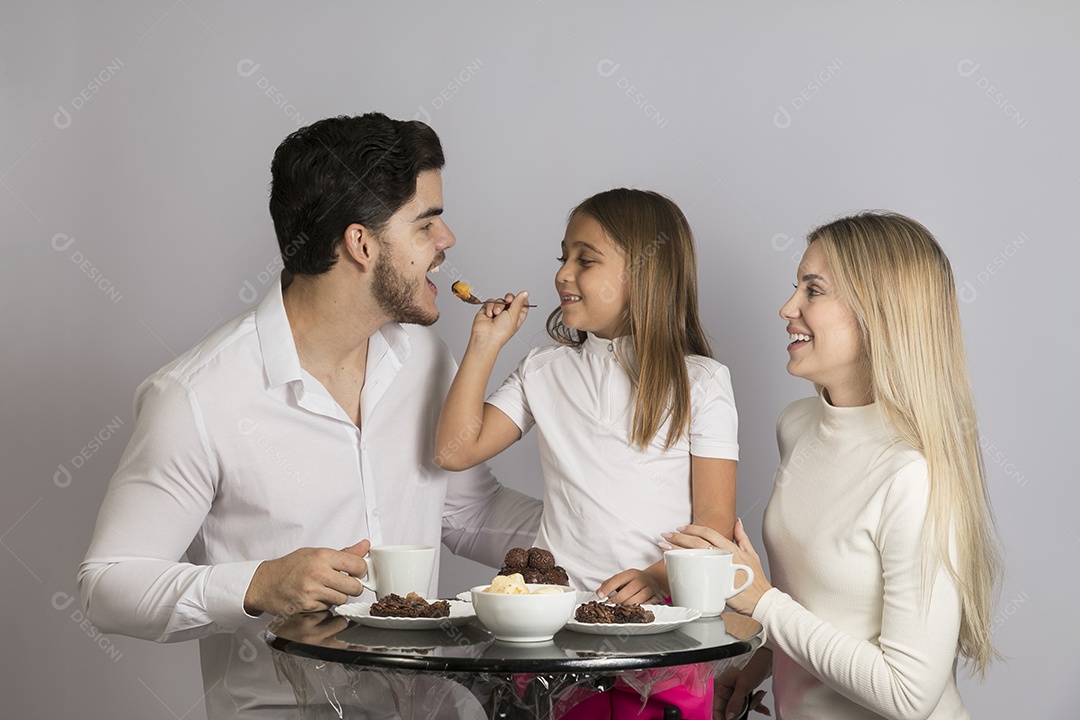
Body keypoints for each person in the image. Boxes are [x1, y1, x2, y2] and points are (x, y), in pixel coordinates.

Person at [78, 113, 542, 719]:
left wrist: (628, 529)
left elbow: (468, 510)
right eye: (426, 223)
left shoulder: (427, 358)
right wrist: (257, 585)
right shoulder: (195, 396)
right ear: (361, 243)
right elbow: (108, 586)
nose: (447, 240)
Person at [663, 212, 1002, 720]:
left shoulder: (912, 475)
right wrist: (754, 667)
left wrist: (762, 603)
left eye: (813, 290)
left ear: (878, 313)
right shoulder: (798, 426)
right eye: (795, 287)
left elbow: (909, 696)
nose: (787, 307)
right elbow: (826, 606)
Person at [435, 188, 739, 718]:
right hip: (553, 632)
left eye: (585, 259)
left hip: (662, 631)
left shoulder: (703, 382)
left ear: (646, 274)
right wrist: (484, 343)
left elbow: (715, 519)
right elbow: (454, 450)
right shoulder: (542, 368)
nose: (562, 274)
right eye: (563, 257)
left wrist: (657, 577)